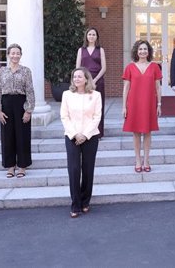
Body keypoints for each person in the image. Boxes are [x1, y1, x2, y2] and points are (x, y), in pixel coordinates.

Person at [60, 67, 102, 217]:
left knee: (88, 169)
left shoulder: (96, 95)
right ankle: (75, 204)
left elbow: (97, 117)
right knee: (74, 169)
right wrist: (75, 134)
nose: (76, 79)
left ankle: (85, 201)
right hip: (72, 136)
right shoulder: (67, 95)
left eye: (79, 76)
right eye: (74, 77)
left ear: (86, 79)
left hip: (90, 136)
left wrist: (85, 134)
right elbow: (64, 116)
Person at [0, 44, 35, 178]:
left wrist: (28, 110)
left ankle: (22, 166)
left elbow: (30, 90)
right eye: (12, 53)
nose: (15, 55)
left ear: (21, 55)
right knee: (7, 136)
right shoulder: (2, 72)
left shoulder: (26, 71)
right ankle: (10, 166)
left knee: (22, 135)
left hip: (21, 104)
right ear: (8, 55)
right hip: (6, 104)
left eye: (18, 53)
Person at [122, 40, 162, 172]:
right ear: (136, 51)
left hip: (150, 103)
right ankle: (138, 160)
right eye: (140, 49)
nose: (143, 51)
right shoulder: (130, 67)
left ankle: (146, 160)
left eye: (145, 49)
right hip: (134, 104)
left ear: (149, 51)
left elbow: (158, 87)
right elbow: (126, 88)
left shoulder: (155, 67)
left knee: (148, 132)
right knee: (136, 133)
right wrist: (124, 106)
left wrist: (159, 104)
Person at [75, 27, 107, 138]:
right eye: (90, 34)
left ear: (97, 37)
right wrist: (83, 80)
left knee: (97, 107)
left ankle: (98, 133)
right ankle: (85, 132)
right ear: (86, 36)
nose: (91, 36)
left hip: (98, 81)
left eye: (94, 34)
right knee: (84, 107)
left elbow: (104, 68)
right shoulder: (81, 50)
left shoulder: (100, 50)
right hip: (83, 81)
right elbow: (77, 68)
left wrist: (95, 80)